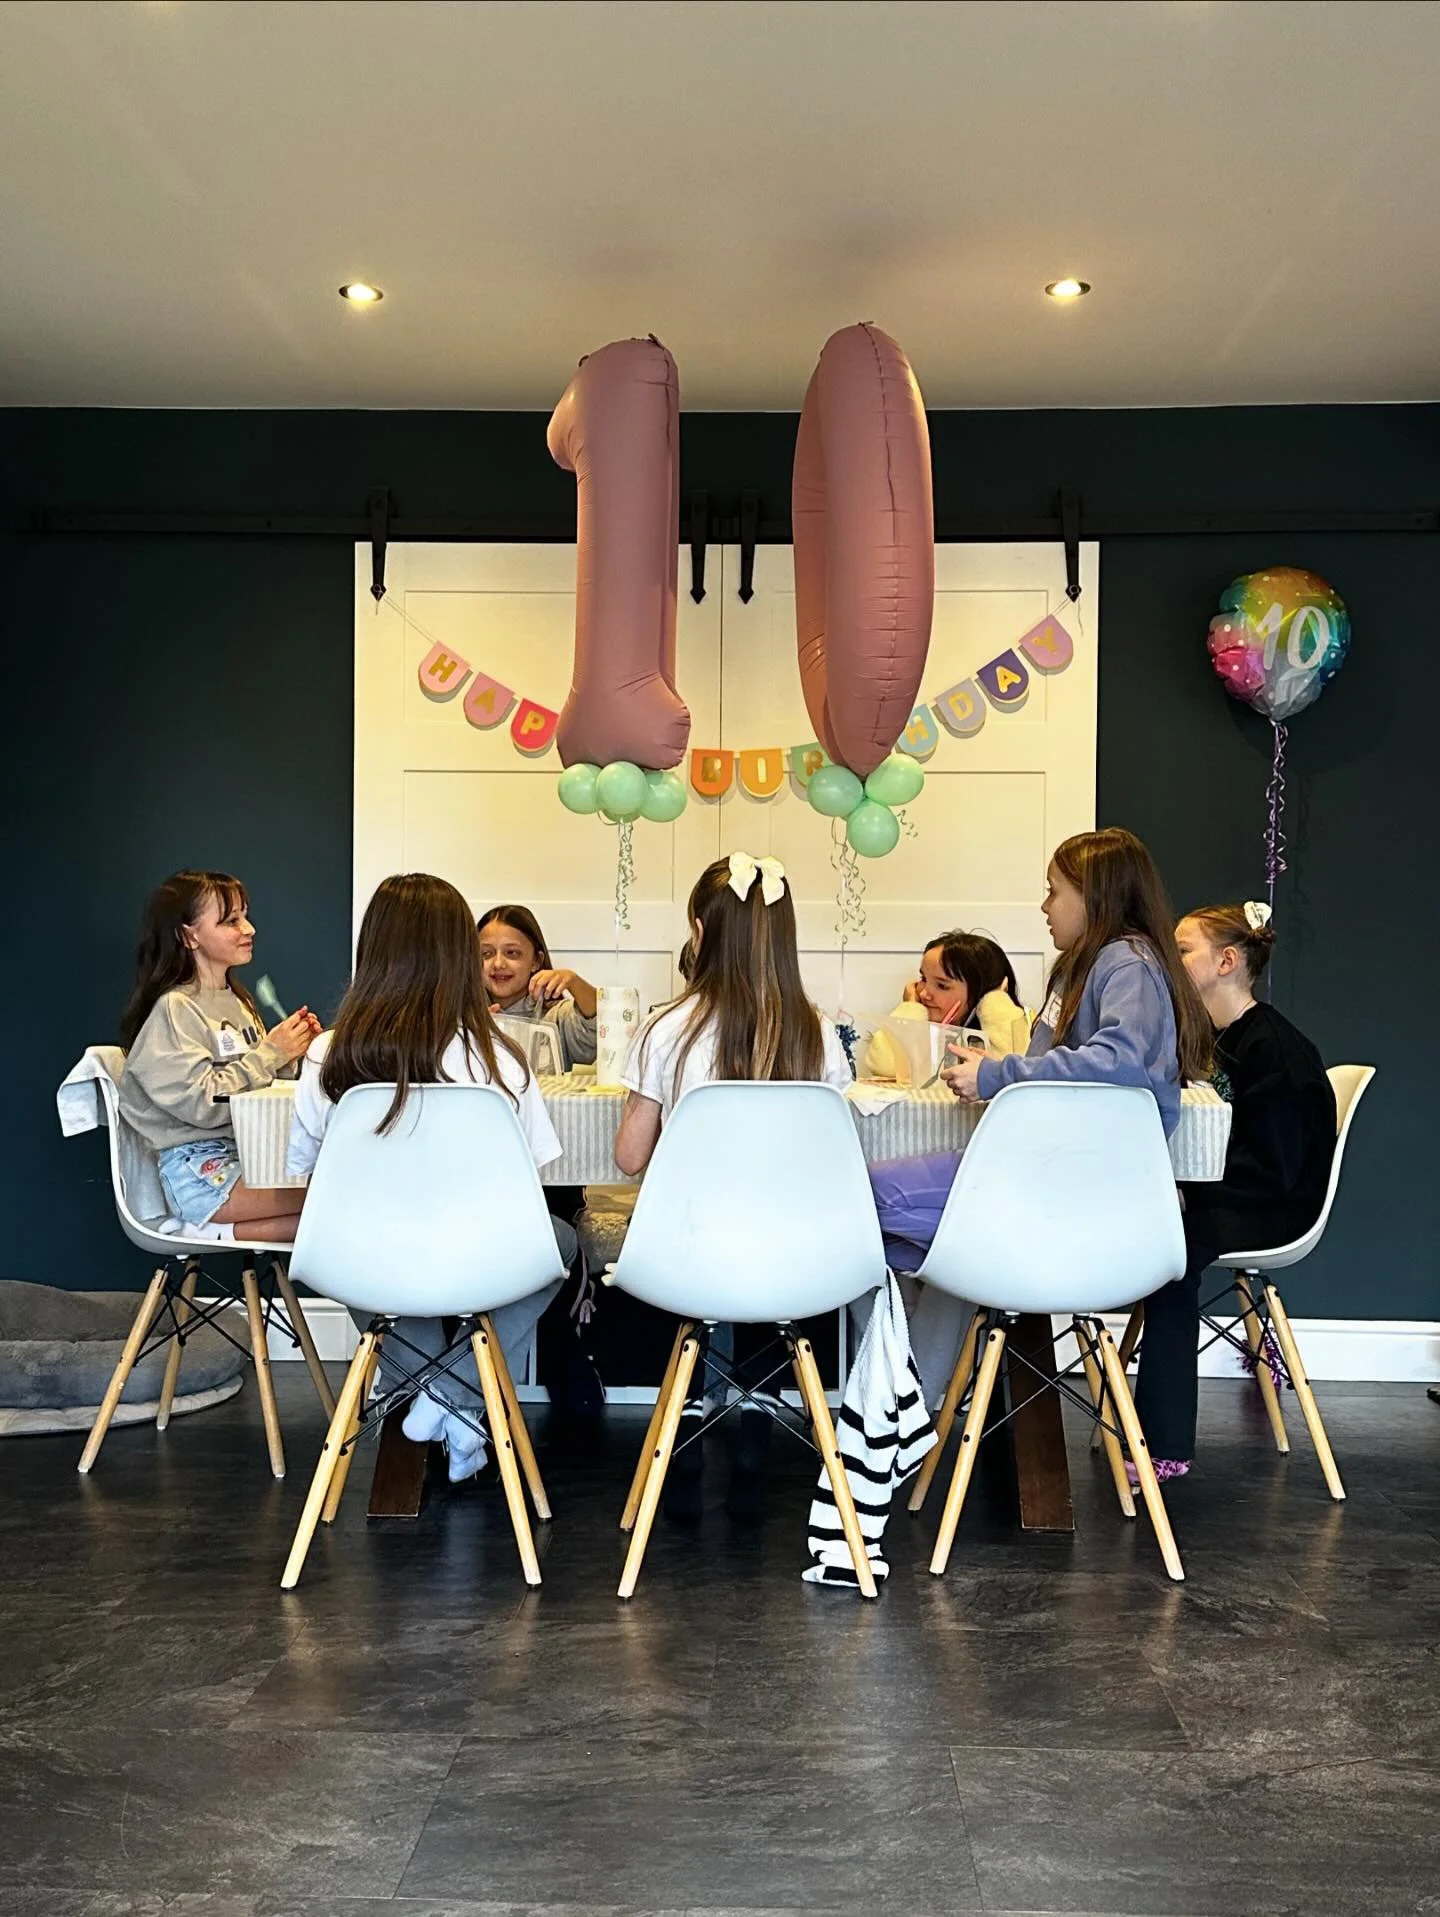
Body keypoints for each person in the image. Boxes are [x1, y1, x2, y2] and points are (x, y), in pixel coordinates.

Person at [868, 829, 1212, 1401]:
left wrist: (997, 1074)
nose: (1045, 906)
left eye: (1054, 891)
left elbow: (1119, 1062)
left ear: (1093, 894)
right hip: (1044, 1173)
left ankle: (899, 1405)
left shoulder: (1127, 963)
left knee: (859, 1205)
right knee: (928, 1246)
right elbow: (1046, 1064)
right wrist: (999, 1068)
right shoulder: (1082, 969)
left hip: (1059, 1185)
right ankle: (910, 1403)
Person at [288, 873, 573, 1482]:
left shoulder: (327, 1056)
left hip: (362, 1257)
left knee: (379, 1266)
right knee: (561, 1243)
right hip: (473, 1255)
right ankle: (456, 1395)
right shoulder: (498, 1058)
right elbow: (528, 1184)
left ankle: (424, 1385)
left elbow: (312, 1175)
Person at [614, 851, 853, 1520]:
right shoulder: (819, 1037)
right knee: (762, 1232)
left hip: (688, 1252)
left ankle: (687, 1405)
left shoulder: (666, 1031)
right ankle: (762, 1397)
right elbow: (831, 1158)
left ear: (698, 932)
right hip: (794, 1256)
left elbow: (630, 1157)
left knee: (683, 1230)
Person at [1131, 900, 1336, 1479]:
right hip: (1239, 1191)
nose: (1170, 959)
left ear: (1226, 961)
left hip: (1274, 1204)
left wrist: (1189, 1193)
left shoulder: (1273, 1048)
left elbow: (1274, 1165)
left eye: (1183, 949)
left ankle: (1165, 1444)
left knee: (1173, 1253)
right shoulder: (1217, 1038)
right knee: (1164, 1230)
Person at [118, 870, 320, 1243]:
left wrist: (293, 1055)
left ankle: (217, 1232)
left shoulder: (237, 1002)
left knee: (339, 1210)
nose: (249, 929)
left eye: (245, 916)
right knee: (339, 1196)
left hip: (242, 1156)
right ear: (189, 934)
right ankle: (209, 1228)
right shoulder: (175, 1009)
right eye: (231, 920)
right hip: (200, 1173)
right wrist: (271, 1053)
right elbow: (203, 1102)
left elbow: (252, 1091)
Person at [862, 930, 1030, 1080]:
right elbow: (883, 1065)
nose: (923, 993)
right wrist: (911, 1006)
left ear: (983, 991)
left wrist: (995, 1002)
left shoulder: (1017, 1023)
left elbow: (1016, 1070)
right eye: (923, 979)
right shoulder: (923, 1031)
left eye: (942, 985)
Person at [477, 904, 598, 1069]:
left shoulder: (556, 1017)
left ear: (536, 961)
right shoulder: (463, 1017)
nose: (498, 964)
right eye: (486, 954)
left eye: (512, 953)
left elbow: (604, 1023)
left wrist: (574, 982)